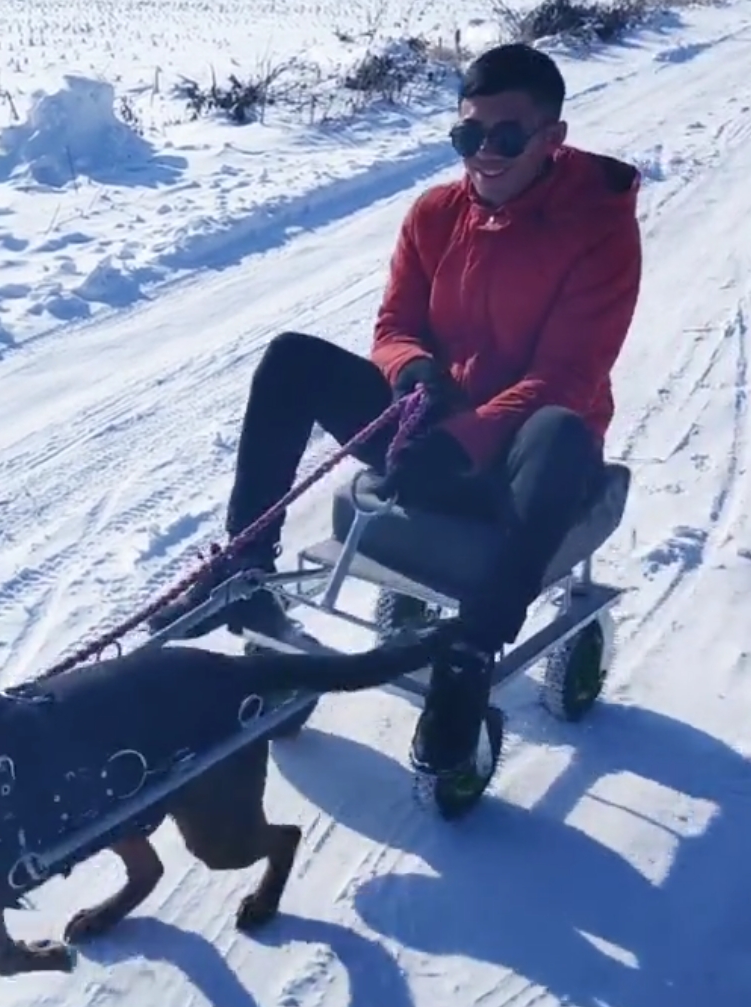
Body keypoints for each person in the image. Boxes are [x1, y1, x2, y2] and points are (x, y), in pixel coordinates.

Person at [151, 42, 642, 788]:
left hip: (520, 460)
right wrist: (413, 372)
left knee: (564, 432)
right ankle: (245, 569)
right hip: (431, 430)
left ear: (553, 137)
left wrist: (463, 439)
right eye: (466, 135)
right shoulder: (436, 212)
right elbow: (395, 323)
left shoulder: (599, 225)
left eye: (503, 136)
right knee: (292, 359)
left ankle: (468, 658)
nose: (482, 154)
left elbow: (567, 376)